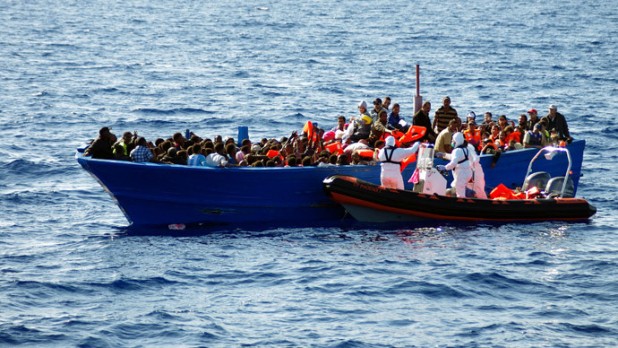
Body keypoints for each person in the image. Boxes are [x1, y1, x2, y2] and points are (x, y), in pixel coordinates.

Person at [436, 132, 472, 198]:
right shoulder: (466, 150)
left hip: (461, 174)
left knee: (460, 194)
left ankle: (461, 204)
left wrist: (445, 167)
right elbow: (456, 158)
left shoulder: (457, 150)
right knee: (455, 187)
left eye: (453, 141)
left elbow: (453, 163)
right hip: (467, 173)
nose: (452, 142)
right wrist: (444, 155)